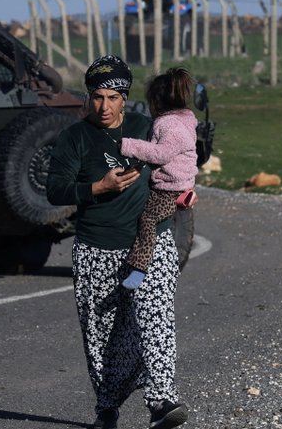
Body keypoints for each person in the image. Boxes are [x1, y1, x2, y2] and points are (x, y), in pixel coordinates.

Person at [46, 55, 189, 429]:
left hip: (151, 243)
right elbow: (55, 190)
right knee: (103, 334)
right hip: (96, 248)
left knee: (155, 317)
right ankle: (107, 407)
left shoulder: (148, 127)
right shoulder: (74, 138)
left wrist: (188, 191)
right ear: (87, 98)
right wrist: (98, 187)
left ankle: (162, 401)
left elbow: (177, 163)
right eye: (97, 97)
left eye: (112, 97)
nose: (104, 106)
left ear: (125, 98)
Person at [119, 67, 198, 290]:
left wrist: (128, 145)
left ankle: (139, 268)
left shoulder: (169, 125)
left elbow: (160, 153)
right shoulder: (185, 119)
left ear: (156, 101)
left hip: (171, 188)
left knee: (147, 220)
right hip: (179, 183)